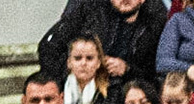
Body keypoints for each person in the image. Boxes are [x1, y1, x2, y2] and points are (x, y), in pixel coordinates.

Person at [38, 0, 166, 87]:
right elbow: (48, 48)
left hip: (128, 92)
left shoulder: (155, 21)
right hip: (82, 87)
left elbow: (156, 74)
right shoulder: (89, 10)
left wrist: (127, 70)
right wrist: (75, 70)